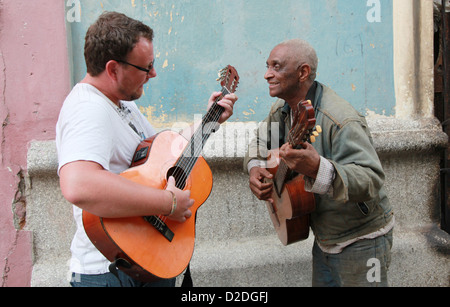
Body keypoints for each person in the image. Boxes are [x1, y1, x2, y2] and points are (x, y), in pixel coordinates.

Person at [56, 11, 237, 287]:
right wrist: (169, 203)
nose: (153, 73)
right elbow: (79, 184)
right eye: (146, 67)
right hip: (110, 272)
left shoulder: (121, 101)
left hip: (144, 260)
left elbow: (164, 155)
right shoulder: (88, 109)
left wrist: (210, 120)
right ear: (113, 69)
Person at [244, 39, 394, 287]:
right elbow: (260, 142)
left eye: (276, 67)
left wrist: (318, 169)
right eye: (267, 66)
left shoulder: (340, 119)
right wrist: (255, 168)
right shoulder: (282, 110)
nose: (266, 74)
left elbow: (371, 179)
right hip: (324, 238)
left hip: (362, 241)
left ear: (302, 72)